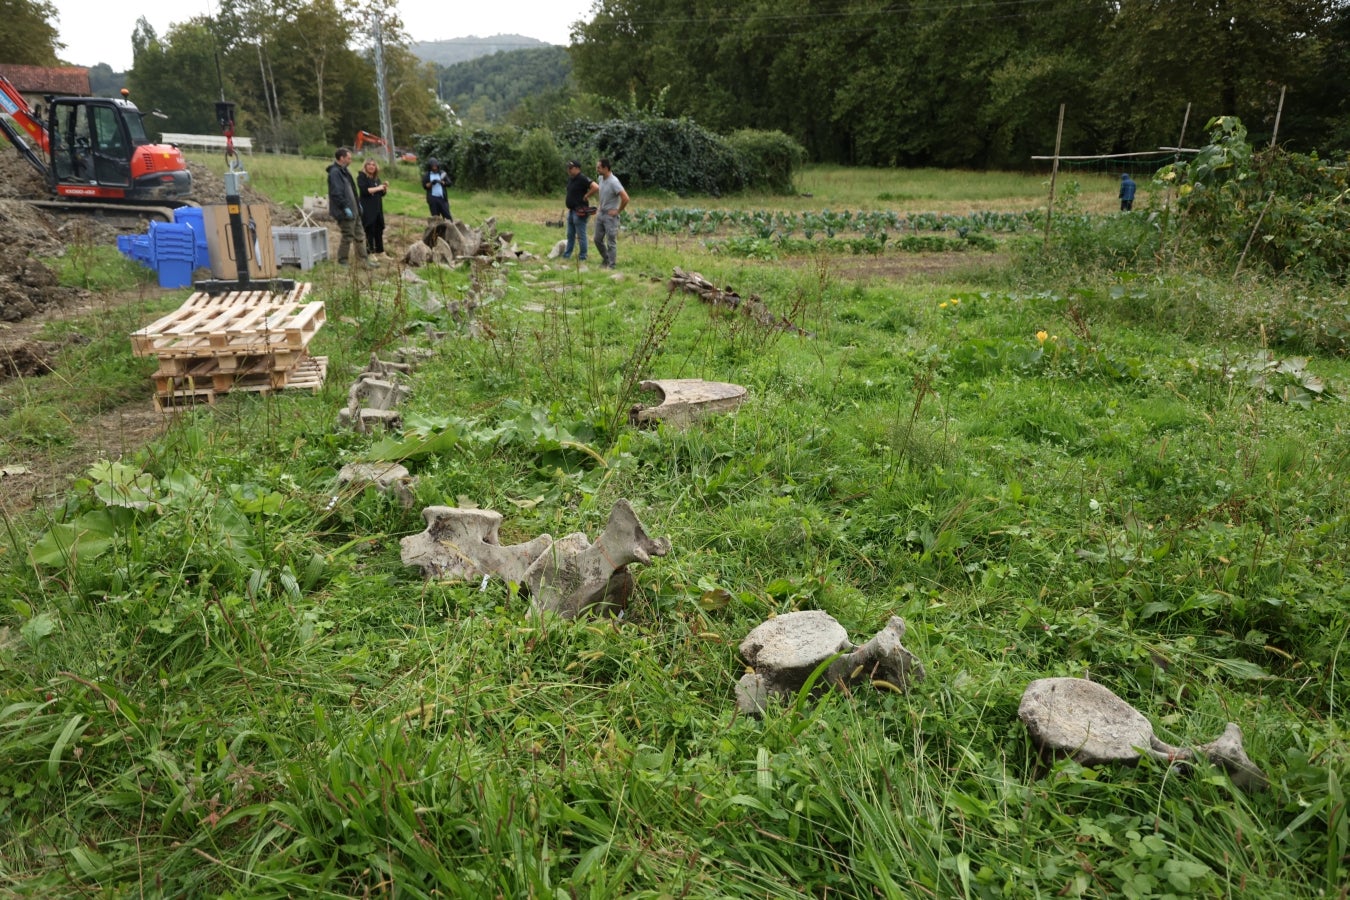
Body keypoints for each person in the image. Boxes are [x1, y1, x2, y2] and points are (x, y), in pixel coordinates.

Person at [327, 147, 377, 267]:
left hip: (355, 210)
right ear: (341, 158)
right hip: (344, 211)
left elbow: (353, 191)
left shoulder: (345, 172)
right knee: (348, 235)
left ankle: (363, 260)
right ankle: (342, 260)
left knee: (360, 235)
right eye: (349, 158)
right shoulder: (335, 173)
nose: (350, 160)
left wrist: (357, 203)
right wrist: (344, 207)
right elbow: (336, 193)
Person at [592, 158, 629, 270]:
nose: (597, 169)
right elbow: (603, 194)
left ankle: (611, 266)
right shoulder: (600, 178)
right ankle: (606, 259)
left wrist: (617, 211)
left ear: (605, 168)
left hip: (610, 216)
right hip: (601, 214)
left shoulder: (614, 182)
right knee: (597, 239)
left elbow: (626, 198)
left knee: (611, 242)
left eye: (599, 167)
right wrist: (600, 206)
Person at [562, 159, 598, 262]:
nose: (568, 170)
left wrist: (587, 195)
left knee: (581, 235)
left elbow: (595, 187)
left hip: (580, 211)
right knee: (570, 234)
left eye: (571, 168)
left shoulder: (582, 178)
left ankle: (583, 256)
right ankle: (567, 254)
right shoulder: (571, 179)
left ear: (577, 168)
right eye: (568, 168)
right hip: (572, 210)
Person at [356, 158, 389, 258]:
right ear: (365, 166)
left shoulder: (376, 179)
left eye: (373, 165)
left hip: (377, 208)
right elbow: (365, 191)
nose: (371, 166)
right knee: (369, 231)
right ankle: (370, 253)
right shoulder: (361, 177)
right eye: (369, 164)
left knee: (379, 230)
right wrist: (379, 188)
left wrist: (384, 189)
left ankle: (381, 251)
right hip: (367, 208)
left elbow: (380, 194)